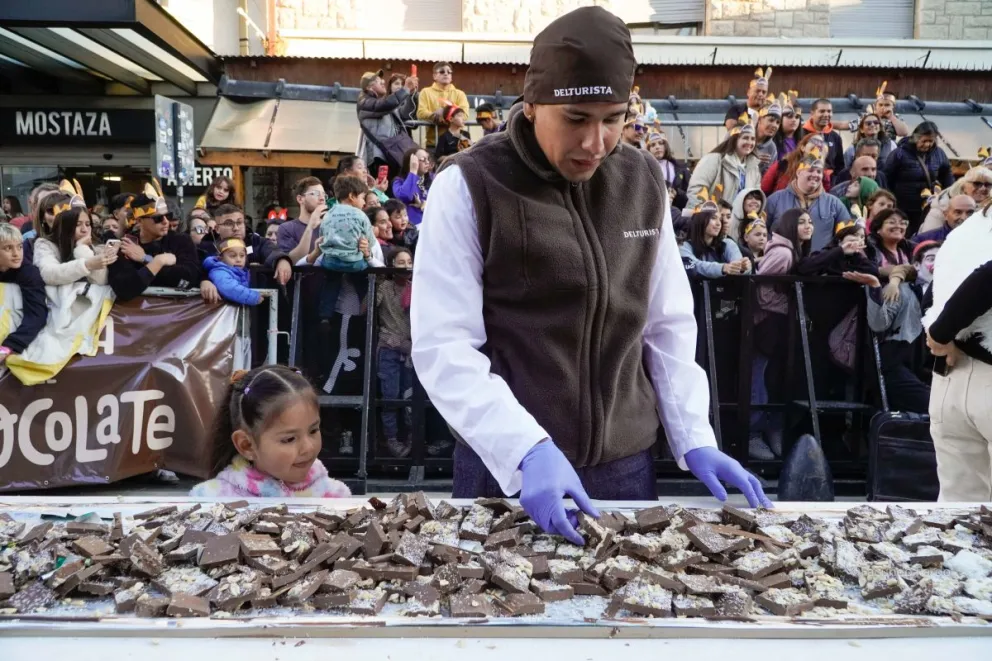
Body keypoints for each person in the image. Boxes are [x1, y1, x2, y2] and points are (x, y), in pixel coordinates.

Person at [411, 7, 772, 540]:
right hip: (509, 469)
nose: (596, 142)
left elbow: (666, 321)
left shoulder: (643, 180)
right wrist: (525, 449)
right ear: (533, 105)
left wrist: (694, 434)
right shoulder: (469, 185)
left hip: (626, 465)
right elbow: (445, 346)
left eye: (613, 118)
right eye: (576, 119)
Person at [189, 365, 351, 498]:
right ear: (246, 445)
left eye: (313, 430)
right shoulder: (211, 499)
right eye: (289, 439)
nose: (308, 447)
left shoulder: (335, 497)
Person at [923, 201, 992, 501]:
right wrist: (940, 333)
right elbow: (987, 278)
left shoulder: (971, 225)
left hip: (951, 374)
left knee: (958, 516)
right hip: (978, 370)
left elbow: (933, 291)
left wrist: (940, 333)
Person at [750, 208, 815, 459]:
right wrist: (791, 305)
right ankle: (753, 434)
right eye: (801, 222)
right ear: (789, 225)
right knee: (760, 378)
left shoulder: (792, 251)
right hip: (766, 324)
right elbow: (760, 291)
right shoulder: (783, 253)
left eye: (810, 222)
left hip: (777, 325)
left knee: (774, 380)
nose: (808, 226)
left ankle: (772, 430)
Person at [107, 194, 201, 301]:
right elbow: (125, 289)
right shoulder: (127, 245)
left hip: (179, 313)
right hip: (139, 314)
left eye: (168, 216)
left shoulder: (181, 240)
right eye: (158, 218)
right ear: (139, 221)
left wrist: (145, 259)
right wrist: (158, 262)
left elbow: (190, 278)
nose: (166, 222)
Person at [198, 204, 292, 304]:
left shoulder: (256, 242)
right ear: (217, 228)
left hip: (259, 309)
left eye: (239, 222)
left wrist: (281, 260)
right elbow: (196, 269)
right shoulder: (206, 248)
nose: (236, 228)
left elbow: (272, 250)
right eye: (229, 223)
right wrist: (204, 281)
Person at [765, 153, 852, 251]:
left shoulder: (834, 204)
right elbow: (763, 230)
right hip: (785, 262)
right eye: (810, 170)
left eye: (819, 172)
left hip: (821, 263)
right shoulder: (775, 199)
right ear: (798, 172)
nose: (815, 175)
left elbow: (847, 233)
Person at [319, 176, 377, 315]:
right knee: (362, 282)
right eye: (363, 198)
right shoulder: (361, 215)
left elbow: (322, 235)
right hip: (355, 263)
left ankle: (325, 316)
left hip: (330, 261)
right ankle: (367, 309)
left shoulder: (328, 214)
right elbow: (371, 241)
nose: (364, 202)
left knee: (331, 284)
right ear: (352, 196)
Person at [884, 121, 954, 235]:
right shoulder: (899, 153)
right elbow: (887, 177)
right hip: (903, 206)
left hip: (927, 206)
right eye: (924, 141)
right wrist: (891, 200)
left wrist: (949, 193)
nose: (927, 145)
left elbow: (946, 174)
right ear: (916, 138)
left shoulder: (939, 154)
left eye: (931, 141)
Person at [377, 247, 415, 458]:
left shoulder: (416, 287)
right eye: (401, 262)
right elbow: (366, 308)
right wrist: (376, 281)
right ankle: (391, 440)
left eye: (409, 261)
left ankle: (412, 438)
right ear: (391, 265)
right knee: (390, 396)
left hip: (411, 351)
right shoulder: (384, 287)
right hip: (389, 349)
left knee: (410, 397)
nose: (406, 266)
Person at [34, 206, 118, 287]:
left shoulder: (96, 245)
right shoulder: (45, 244)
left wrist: (82, 248)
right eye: (78, 224)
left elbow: (100, 280)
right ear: (64, 226)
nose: (84, 229)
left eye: (88, 224)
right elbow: (48, 275)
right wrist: (86, 265)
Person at [0, 223, 47, 364]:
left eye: (20, 246)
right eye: (8, 248)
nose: (16, 254)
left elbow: (37, 315)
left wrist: (9, 346)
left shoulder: (29, 273)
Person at [357, 68, 419, 173]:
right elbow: (386, 105)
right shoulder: (364, 101)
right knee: (382, 188)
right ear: (369, 87)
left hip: (391, 154)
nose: (383, 82)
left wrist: (411, 95)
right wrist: (405, 89)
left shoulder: (381, 102)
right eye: (378, 81)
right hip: (379, 157)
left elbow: (404, 115)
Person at [686, 124, 761, 206]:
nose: (750, 143)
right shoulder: (713, 159)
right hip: (710, 216)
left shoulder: (754, 167)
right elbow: (696, 191)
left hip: (737, 218)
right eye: (745, 138)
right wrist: (709, 215)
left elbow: (756, 197)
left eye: (753, 139)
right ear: (734, 139)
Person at [679, 208, 751, 279]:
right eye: (713, 218)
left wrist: (743, 267)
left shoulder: (727, 243)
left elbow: (738, 265)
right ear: (700, 220)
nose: (718, 224)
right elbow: (695, 267)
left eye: (720, 219)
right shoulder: (684, 246)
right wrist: (722, 268)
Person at [918, 167, 991, 234]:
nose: (983, 188)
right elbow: (928, 239)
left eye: (988, 184)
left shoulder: (989, 206)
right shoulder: (942, 206)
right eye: (977, 184)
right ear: (964, 187)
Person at [795, 221, 879, 279]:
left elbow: (874, 271)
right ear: (839, 240)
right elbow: (804, 268)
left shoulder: (859, 258)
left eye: (862, 237)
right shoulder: (825, 254)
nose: (858, 240)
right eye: (854, 235)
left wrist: (859, 255)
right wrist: (840, 250)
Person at [415, 62, 470, 149]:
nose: (446, 74)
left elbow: (465, 115)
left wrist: (445, 114)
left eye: (449, 72)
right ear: (434, 76)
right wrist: (435, 115)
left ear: (451, 77)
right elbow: (420, 113)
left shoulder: (460, 94)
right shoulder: (425, 92)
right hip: (433, 144)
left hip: (456, 144)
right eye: (442, 71)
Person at [761, 133, 830, 195]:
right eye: (814, 141)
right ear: (803, 147)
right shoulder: (783, 164)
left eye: (822, 143)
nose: (818, 145)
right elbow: (764, 189)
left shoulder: (823, 174)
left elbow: (825, 194)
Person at [204, 237, 265, 307]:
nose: (238, 259)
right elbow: (228, 288)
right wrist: (253, 297)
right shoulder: (219, 271)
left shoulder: (244, 271)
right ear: (220, 258)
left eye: (242, 255)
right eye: (233, 256)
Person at [279, 176, 326, 264]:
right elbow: (293, 260)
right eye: (315, 193)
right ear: (300, 199)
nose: (322, 198)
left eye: (324, 194)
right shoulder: (287, 228)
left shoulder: (329, 227)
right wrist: (310, 226)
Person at [867, 209, 915, 285]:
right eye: (892, 222)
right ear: (878, 228)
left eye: (903, 223)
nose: (898, 226)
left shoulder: (911, 249)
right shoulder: (868, 249)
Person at [645, 132, 689, 209]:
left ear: (665, 146)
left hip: (675, 211)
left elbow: (687, 195)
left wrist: (677, 193)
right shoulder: (644, 168)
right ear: (648, 149)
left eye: (660, 143)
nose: (657, 147)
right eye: (653, 145)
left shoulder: (680, 169)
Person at [800, 99, 845, 174]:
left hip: (830, 182)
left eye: (829, 111)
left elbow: (840, 166)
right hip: (806, 176)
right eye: (822, 111)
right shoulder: (801, 134)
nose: (826, 115)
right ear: (812, 113)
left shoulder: (835, 137)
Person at [392, 148, 432, 226]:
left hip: (429, 225)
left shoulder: (430, 180)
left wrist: (422, 205)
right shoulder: (399, 181)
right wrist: (413, 171)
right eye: (423, 159)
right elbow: (405, 195)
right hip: (412, 228)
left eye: (428, 159)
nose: (427, 162)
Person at [772, 92, 802, 159]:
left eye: (797, 117)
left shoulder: (803, 140)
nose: (794, 120)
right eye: (789, 116)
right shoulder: (772, 140)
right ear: (780, 118)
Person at [754, 103, 781, 174]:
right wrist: (752, 161)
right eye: (771, 120)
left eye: (778, 122)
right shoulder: (740, 135)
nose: (775, 125)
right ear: (759, 119)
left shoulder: (772, 148)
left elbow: (768, 177)